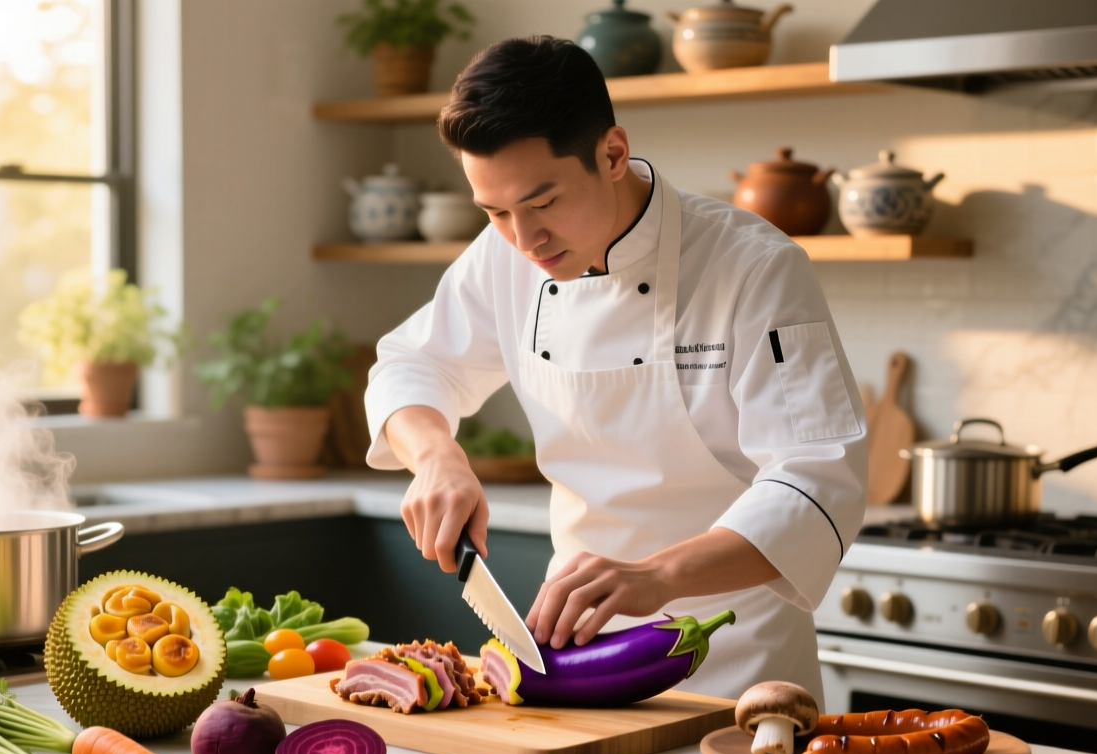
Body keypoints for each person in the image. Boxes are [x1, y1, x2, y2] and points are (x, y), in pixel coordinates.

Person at [362, 36, 866, 700]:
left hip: (736, 674)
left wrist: (657, 576)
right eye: (496, 212)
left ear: (613, 153)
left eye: (544, 203)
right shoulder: (504, 255)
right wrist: (434, 456)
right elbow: (410, 363)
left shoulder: (753, 267)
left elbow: (817, 479)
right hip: (574, 654)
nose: (525, 239)